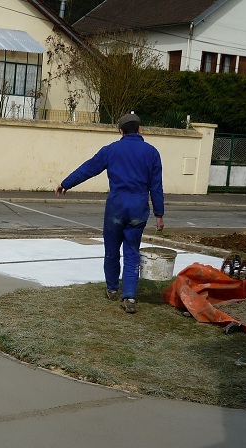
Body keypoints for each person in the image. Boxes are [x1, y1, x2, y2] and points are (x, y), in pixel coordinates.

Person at [55, 112, 164, 314]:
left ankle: (112, 289)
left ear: (120, 131)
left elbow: (88, 168)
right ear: (140, 129)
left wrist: (65, 184)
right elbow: (156, 186)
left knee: (112, 250)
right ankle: (129, 296)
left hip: (116, 206)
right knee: (132, 251)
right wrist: (159, 214)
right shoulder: (152, 153)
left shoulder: (111, 150)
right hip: (138, 207)